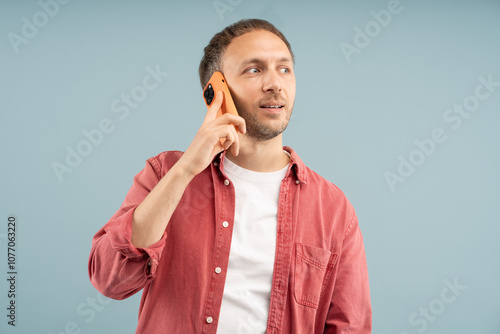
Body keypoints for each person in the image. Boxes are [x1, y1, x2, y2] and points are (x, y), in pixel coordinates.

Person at [88, 18, 372, 334]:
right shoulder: (164, 173)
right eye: (254, 69)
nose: (274, 83)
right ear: (216, 90)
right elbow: (110, 279)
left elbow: (350, 326)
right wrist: (185, 171)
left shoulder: (332, 207)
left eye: (284, 69)